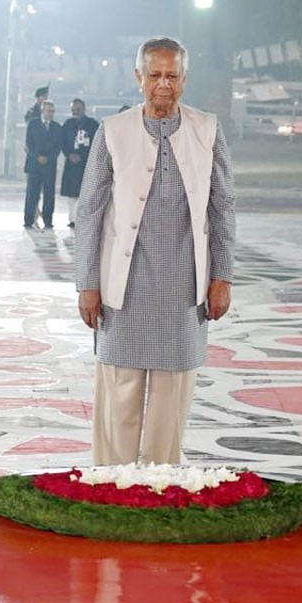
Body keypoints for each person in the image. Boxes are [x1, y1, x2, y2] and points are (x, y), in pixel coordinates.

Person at [74, 36, 236, 465]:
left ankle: (161, 484)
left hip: (184, 286)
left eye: (172, 75)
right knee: (120, 391)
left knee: (171, 397)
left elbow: (222, 209)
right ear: (138, 77)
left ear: (184, 79)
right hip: (123, 285)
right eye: (154, 75)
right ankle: (111, 482)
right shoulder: (112, 131)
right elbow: (88, 211)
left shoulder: (208, 130)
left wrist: (222, 278)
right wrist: (86, 285)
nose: (163, 84)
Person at [59, 98, 99, 228]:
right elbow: (62, 143)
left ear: (84, 109)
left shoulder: (92, 124)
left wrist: (83, 156)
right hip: (71, 165)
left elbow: (96, 144)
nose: (75, 112)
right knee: (72, 194)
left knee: (86, 193)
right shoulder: (67, 124)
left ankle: (85, 219)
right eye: (73, 110)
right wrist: (69, 154)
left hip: (86, 165)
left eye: (78, 109)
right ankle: (72, 219)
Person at [23, 99, 61, 229]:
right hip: (34, 165)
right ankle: (28, 220)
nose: (51, 113)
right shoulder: (33, 124)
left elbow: (58, 147)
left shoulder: (57, 127)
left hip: (49, 167)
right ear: (42, 111)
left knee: (49, 195)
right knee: (32, 194)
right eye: (48, 111)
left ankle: (48, 221)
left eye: (52, 111)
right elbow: (29, 144)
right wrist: (37, 157)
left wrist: (48, 158)